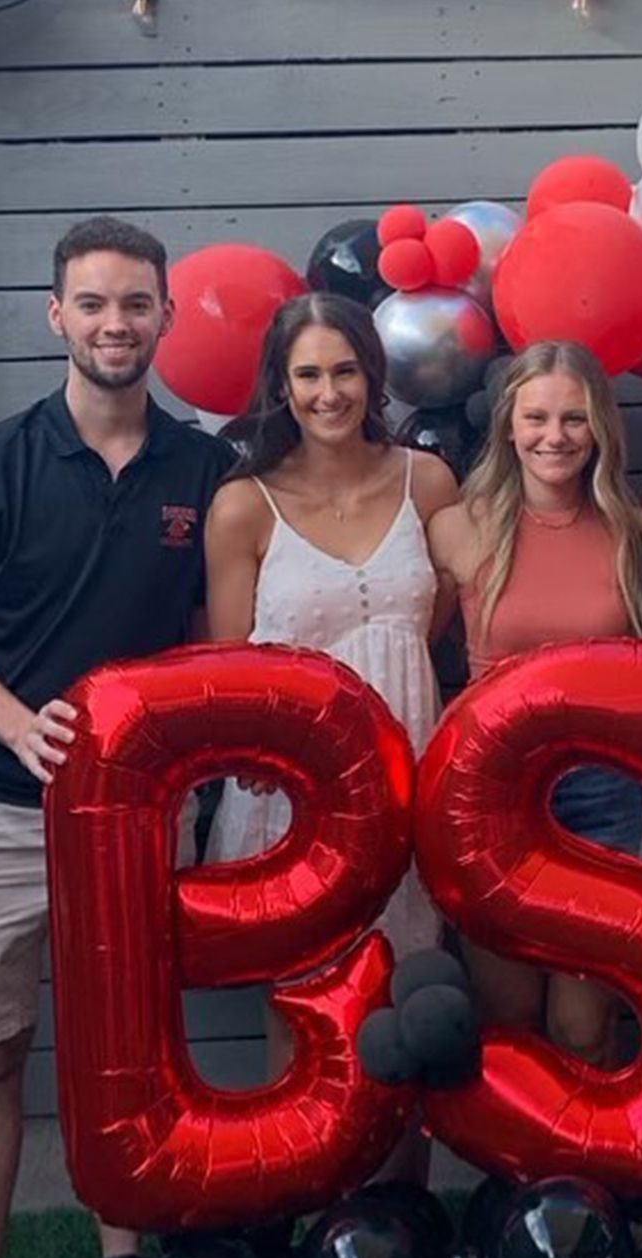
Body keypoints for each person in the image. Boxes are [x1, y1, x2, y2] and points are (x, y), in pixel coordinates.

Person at [0, 216, 234, 1258]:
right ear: (55, 315)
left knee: (127, 1052)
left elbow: (212, 632)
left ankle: (125, 1255)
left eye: (136, 303)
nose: (117, 323)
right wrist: (18, 724)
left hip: (135, 814)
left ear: (163, 315)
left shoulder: (205, 469)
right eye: (95, 303)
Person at [202, 293, 458, 1161]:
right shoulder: (244, 505)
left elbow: (440, 619)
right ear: (282, 383)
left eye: (345, 370)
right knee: (304, 1011)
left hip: (406, 779)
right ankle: (303, 1190)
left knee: (403, 1000)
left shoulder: (426, 480)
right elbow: (226, 666)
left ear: (372, 376)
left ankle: (398, 1216)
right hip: (294, 802)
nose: (328, 392)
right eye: (308, 373)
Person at [427, 340, 642, 1067]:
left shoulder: (634, 534)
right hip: (495, 793)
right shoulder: (459, 529)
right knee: (510, 1013)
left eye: (575, 419)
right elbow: (412, 650)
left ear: (601, 431)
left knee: (585, 1025)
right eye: (537, 418)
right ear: (508, 427)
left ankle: (591, 1173)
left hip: (602, 793)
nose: (555, 436)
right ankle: (525, 1178)